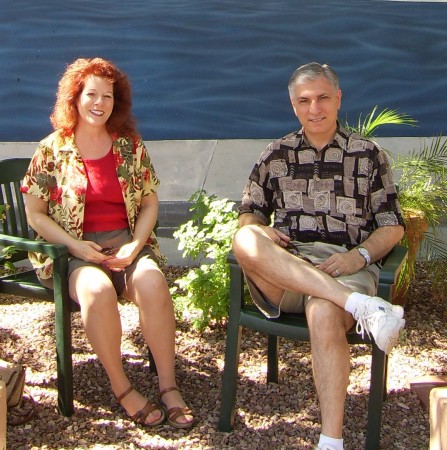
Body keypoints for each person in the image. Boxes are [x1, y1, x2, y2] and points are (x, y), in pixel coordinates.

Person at [233, 62, 405, 450]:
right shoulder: (275, 154)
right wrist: (257, 228)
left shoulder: (368, 154)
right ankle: (362, 306)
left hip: (344, 263)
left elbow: (392, 225)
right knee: (243, 240)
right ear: (294, 106)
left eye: (323, 97)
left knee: (324, 310)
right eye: (304, 100)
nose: (315, 108)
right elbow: (249, 212)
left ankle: (331, 440)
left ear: (338, 98)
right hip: (288, 266)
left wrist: (359, 257)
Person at [20, 57, 194, 429]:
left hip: (125, 243)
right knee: (97, 292)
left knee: (153, 282)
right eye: (92, 95)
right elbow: (35, 214)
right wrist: (75, 247)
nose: (100, 104)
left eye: (108, 97)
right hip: (73, 251)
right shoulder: (51, 149)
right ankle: (123, 388)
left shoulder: (129, 146)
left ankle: (168, 386)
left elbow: (149, 201)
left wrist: (136, 244)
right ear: (75, 98)